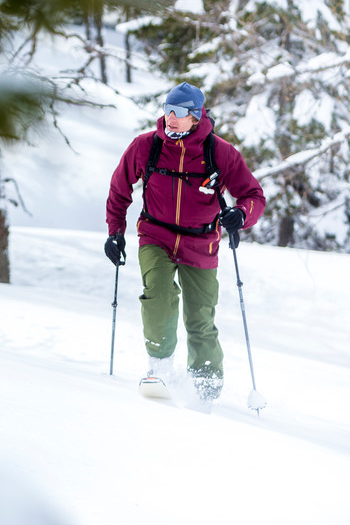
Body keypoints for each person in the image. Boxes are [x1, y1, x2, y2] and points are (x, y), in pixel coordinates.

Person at [104, 82, 265, 400]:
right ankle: (159, 369)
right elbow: (119, 189)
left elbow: (253, 195)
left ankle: (206, 386)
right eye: (167, 110)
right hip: (155, 234)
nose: (170, 117)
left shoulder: (220, 152)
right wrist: (114, 232)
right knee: (159, 298)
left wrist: (241, 215)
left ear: (196, 116)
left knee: (200, 319)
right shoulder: (146, 146)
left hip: (201, 242)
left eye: (178, 112)